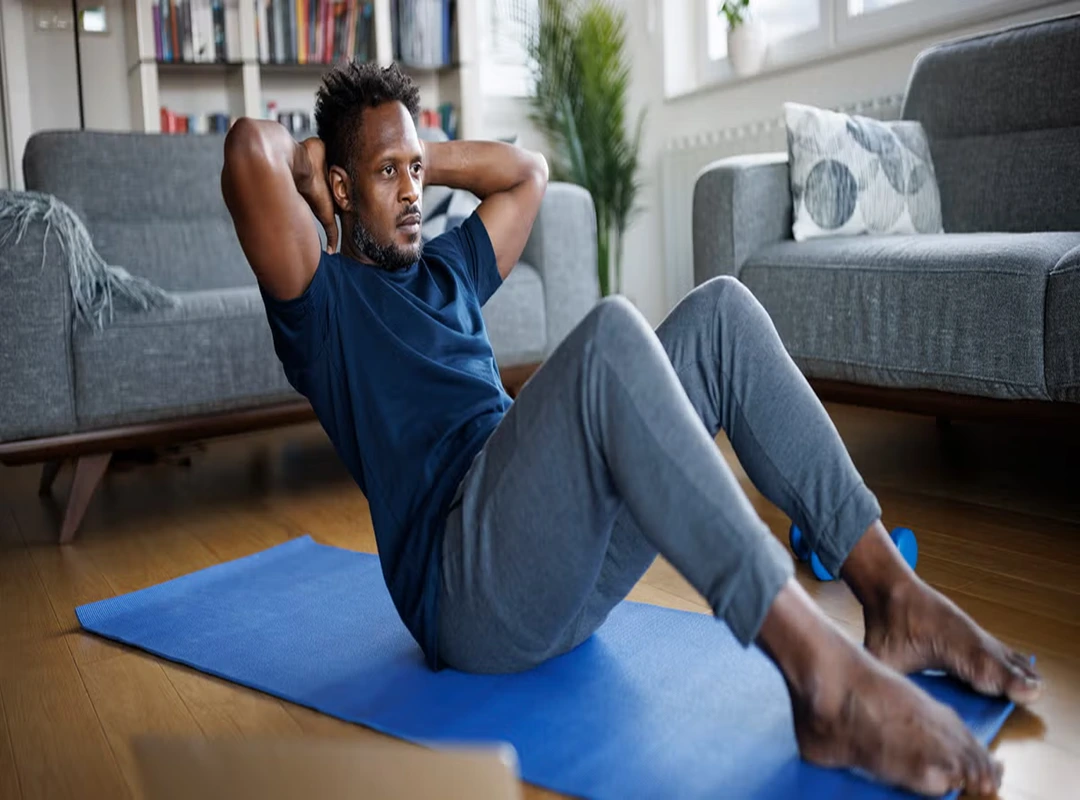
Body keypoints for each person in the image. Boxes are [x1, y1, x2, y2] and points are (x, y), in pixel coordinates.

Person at [221, 61, 1041, 797]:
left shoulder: (446, 269)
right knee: (612, 335)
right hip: (468, 589)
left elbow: (526, 175)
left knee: (720, 311)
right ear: (335, 186)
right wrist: (311, 175)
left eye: (417, 172)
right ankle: (824, 681)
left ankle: (892, 598)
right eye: (386, 173)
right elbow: (249, 149)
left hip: (556, 571)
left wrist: (414, 151)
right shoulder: (322, 308)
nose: (410, 192)